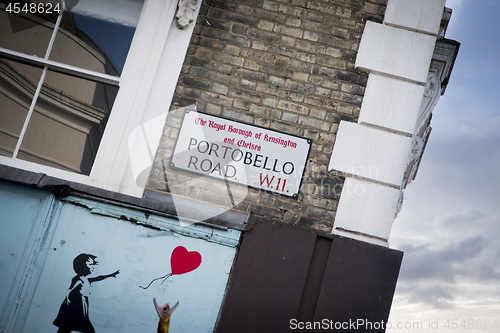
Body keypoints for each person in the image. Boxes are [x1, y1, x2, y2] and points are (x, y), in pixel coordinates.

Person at [53, 253, 119, 333]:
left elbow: (98, 278)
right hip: (75, 306)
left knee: (66, 328)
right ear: (83, 266)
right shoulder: (80, 279)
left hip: (79, 305)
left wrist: (111, 275)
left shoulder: (85, 279)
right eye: (90, 264)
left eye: (93, 264)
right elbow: (70, 290)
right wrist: (69, 298)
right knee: (77, 328)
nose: (93, 267)